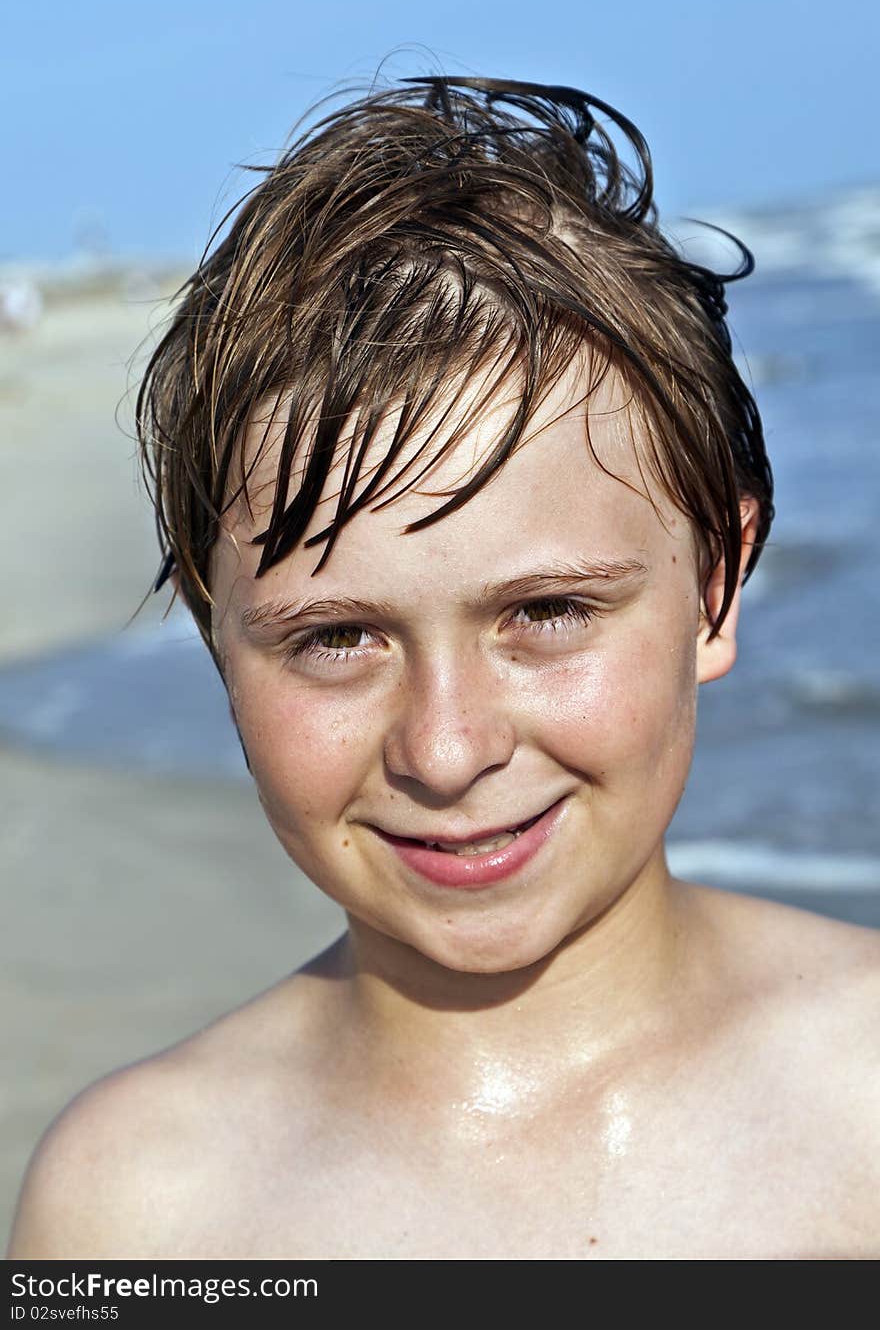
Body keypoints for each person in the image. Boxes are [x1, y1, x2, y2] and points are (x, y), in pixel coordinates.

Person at [8, 77, 879, 1261]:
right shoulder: (135, 1210)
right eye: (337, 638)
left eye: (546, 611)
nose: (448, 747)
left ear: (716, 584)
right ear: (218, 637)